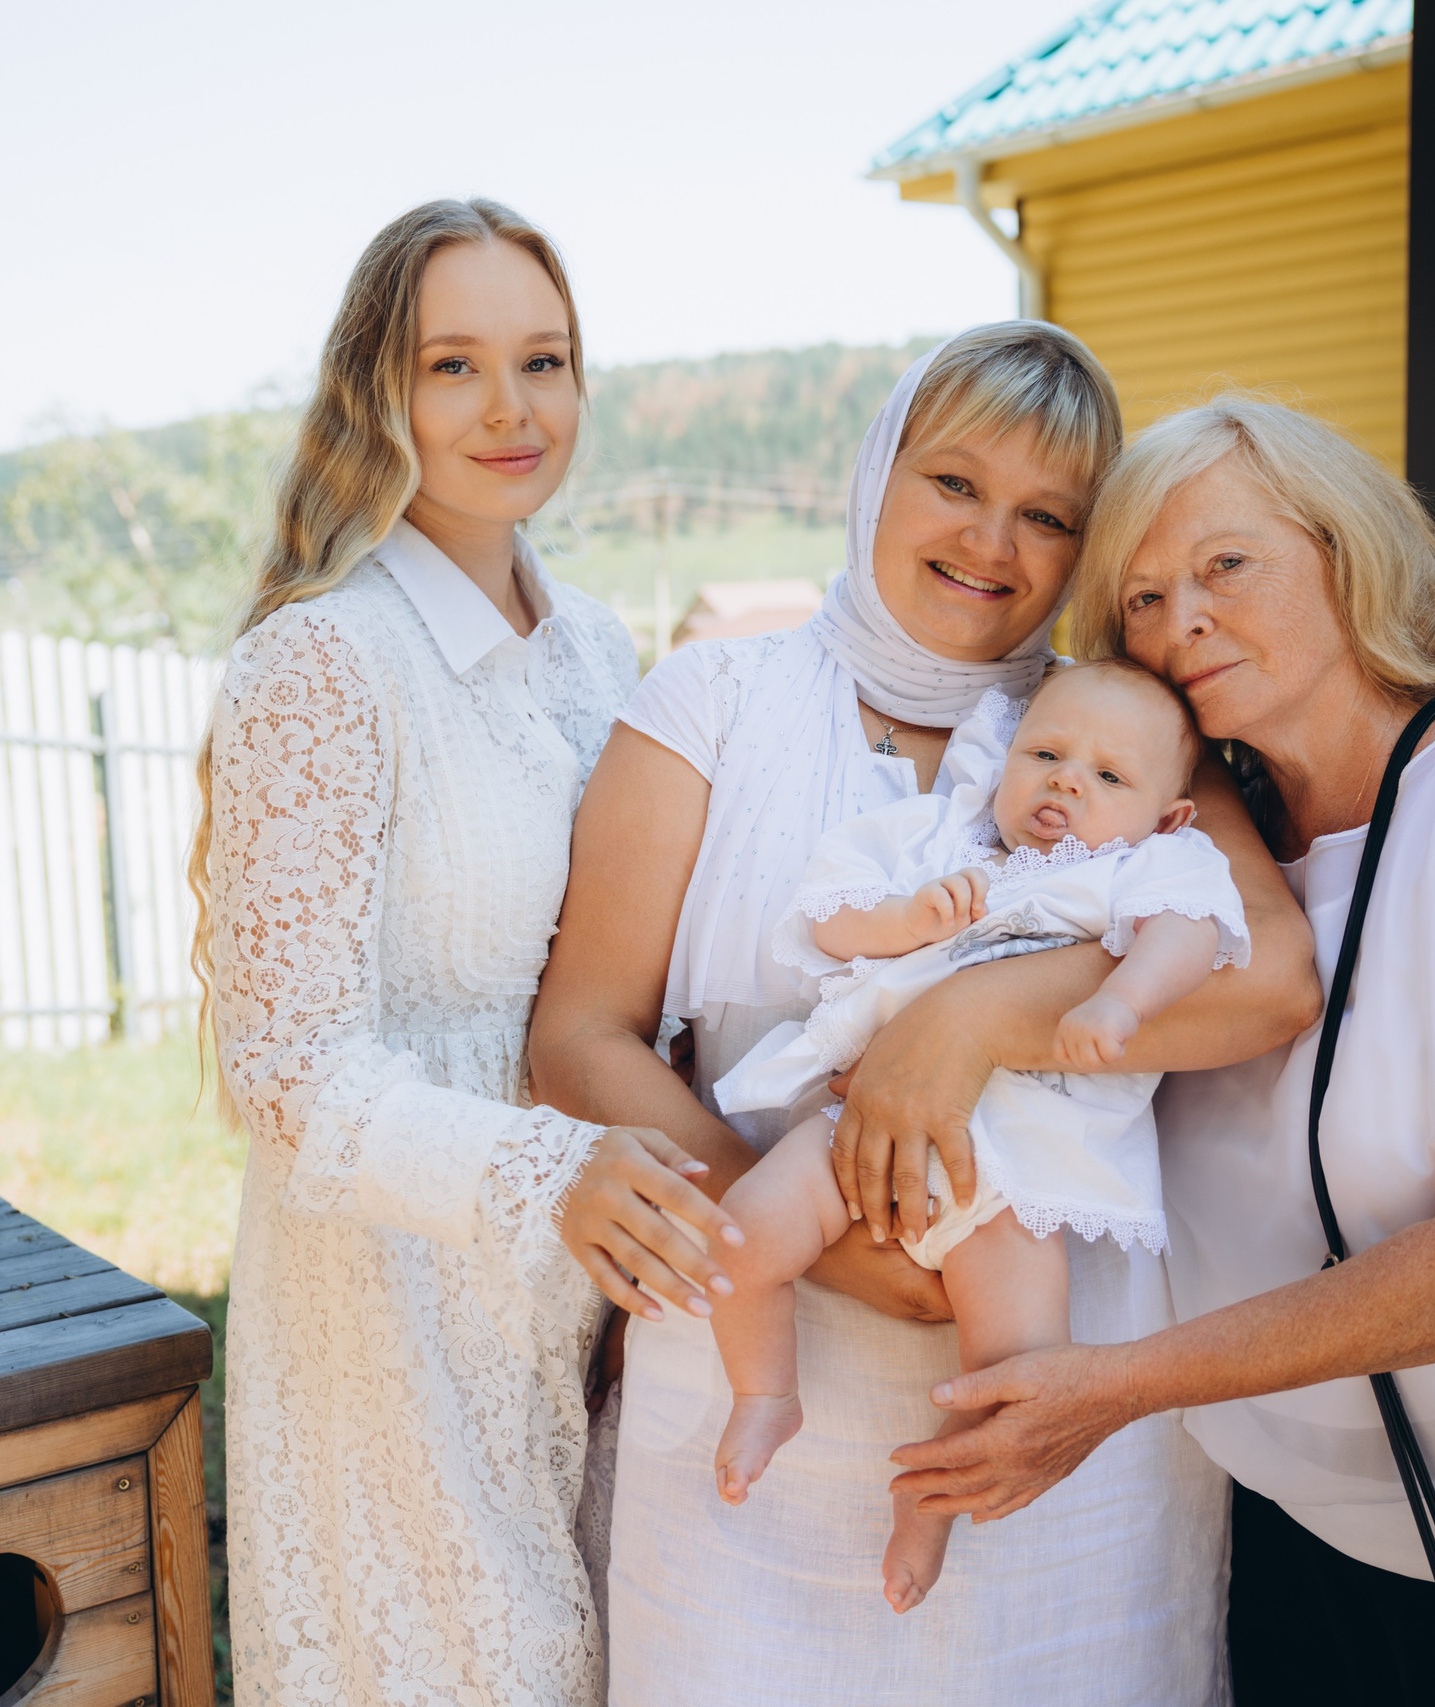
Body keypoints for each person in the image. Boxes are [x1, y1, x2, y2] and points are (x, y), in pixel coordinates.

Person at [877, 394, 1435, 1705]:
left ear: (1346, 550)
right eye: (1137, 599)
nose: (1178, 618)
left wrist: (1115, 1384)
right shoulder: (1196, 857)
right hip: (1298, 1565)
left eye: (1224, 565)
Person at [531, 326, 1323, 1705]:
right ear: (877, 469)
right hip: (753, 1344)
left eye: (1049, 514)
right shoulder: (711, 701)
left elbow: (1266, 975)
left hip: (1053, 1397)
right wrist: (828, 1241)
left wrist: (970, 1018)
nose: (993, 541)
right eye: (955, 482)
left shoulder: (1112, 724)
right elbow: (581, 1036)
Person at [201, 198, 744, 1707]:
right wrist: (539, 1178)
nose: (512, 408)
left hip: (590, 1294)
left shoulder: (600, 653)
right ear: (381, 387)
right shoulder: (322, 658)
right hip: (396, 1301)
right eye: (456, 365)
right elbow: (288, 1070)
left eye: (546, 360)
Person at [706, 660, 1251, 1614]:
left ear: (1167, 815)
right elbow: (826, 912)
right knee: (745, 1232)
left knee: (1015, 1367)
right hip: (865, 1121)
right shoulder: (939, 838)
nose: (1067, 780)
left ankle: (929, 1506)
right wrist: (903, 917)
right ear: (1005, 760)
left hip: (1018, 1170)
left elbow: (1191, 934)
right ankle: (763, 1392)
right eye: (1044, 753)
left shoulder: (1150, 866)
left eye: (1109, 776)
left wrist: (1123, 999)